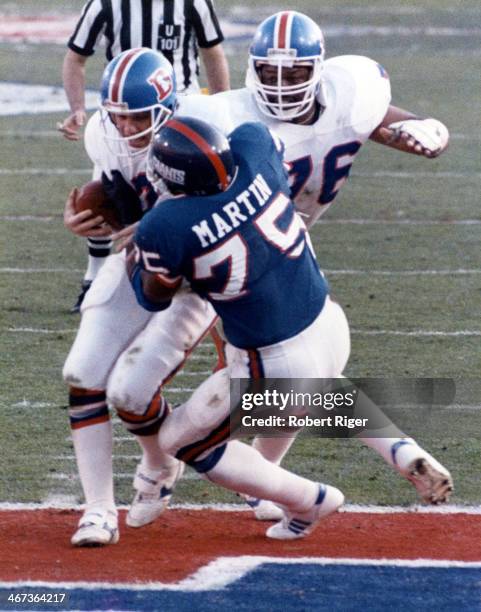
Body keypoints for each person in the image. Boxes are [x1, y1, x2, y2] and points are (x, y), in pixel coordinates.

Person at [128, 115, 348, 540]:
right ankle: (384, 455)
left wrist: (135, 260)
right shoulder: (252, 143)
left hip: (268, 358)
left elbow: (152, 295)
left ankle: (309, 498)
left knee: (183, 442)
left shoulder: (166, 225)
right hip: (324, 319)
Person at [62, 48, 230, 546]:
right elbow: (111, 194)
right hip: (141, 259)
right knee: (83, 371)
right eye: (117, 114)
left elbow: (228, 212)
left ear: (168, 106)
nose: (126, 124)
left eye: (137, 113)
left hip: (199, 274)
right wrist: (84, 219)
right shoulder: (103, 132)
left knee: (134, 393)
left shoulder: (206, 124)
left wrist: (162, 229)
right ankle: (98, 508)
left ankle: (284, 488)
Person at [58, 0, 230, 312]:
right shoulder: (105, 5)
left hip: (181, 115)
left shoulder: (191, 3)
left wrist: (223, 104)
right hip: (124, 109)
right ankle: (99, 277)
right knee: (108, 194)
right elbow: (75, 58)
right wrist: (78, 108)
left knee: (191, 199)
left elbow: (212, 52)